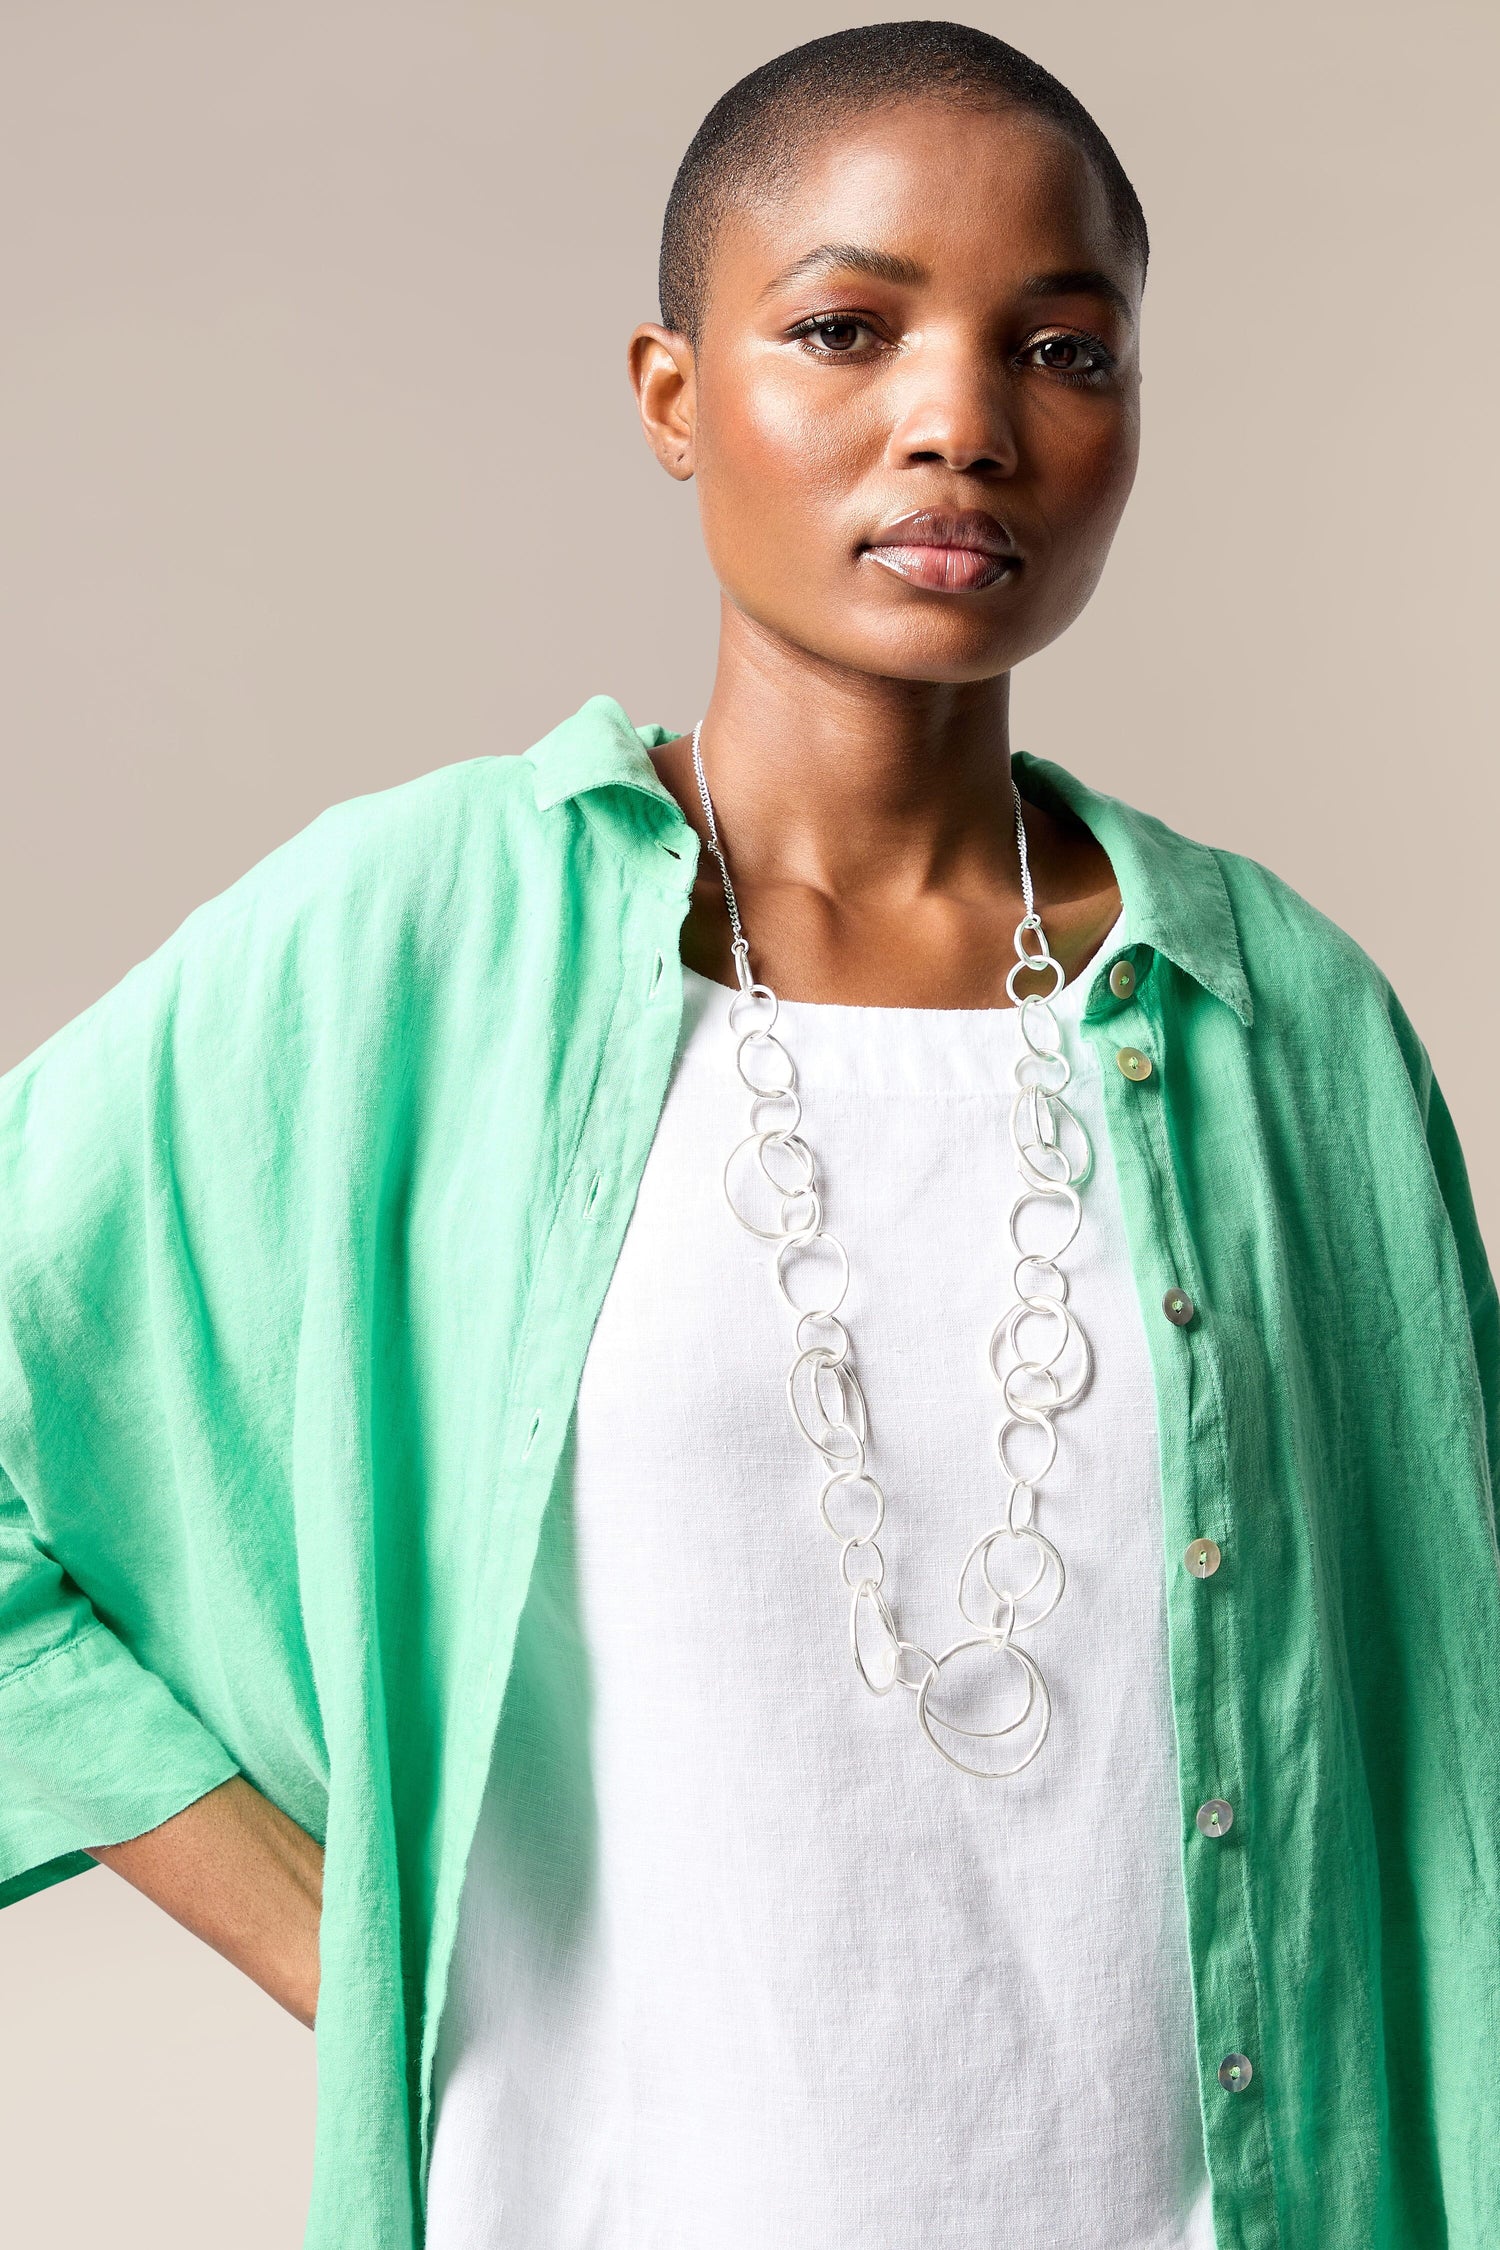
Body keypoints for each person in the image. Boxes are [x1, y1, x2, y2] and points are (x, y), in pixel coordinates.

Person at [0, 19, 1495, 2249]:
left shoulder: (1282, 1024)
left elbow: (1454, 1754)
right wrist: (363, 1943)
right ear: (675, 393)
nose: (961, 423)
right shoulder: (419, 945)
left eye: (1063, 350)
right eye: (846, 328)